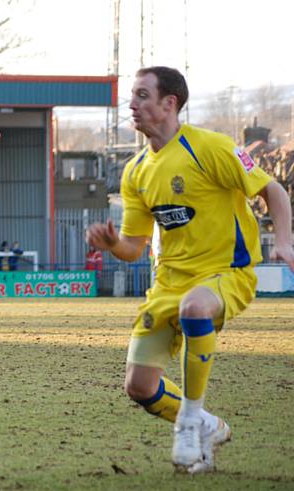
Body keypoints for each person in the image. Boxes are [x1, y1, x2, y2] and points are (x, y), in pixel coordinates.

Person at [86, 66, 294, 473]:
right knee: (139, 387)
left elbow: (273, 188)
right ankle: (208, 425)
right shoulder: (136, 172)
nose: (132, 104)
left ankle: (187, 420)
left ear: (170, 103)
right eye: (132, 95)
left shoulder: (212, 147)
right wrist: (113, 244)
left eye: (143, 95)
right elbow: (134, 247)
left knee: (196, 308)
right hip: (168, 284)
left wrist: (284, 241)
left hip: (226, 273)